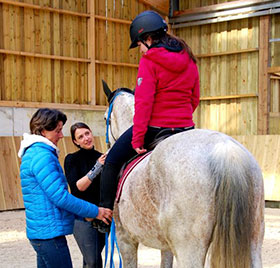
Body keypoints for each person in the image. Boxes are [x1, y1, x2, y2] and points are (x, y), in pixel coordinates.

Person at [94, 10, 200, 233]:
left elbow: (143, 103)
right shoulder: (189, 58)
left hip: (156, 127)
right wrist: (182, 118)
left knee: (112, 160)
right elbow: (194, 98)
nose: (140, 49)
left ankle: (104, 215)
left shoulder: (149, 60)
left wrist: (138, 139)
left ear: (148, 38)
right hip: (186, 128)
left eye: (140, 44)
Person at [18, 108, 112, 268]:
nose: (61, 135)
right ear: (43, 131)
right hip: (49, 234)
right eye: (58, 131)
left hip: (43, 231)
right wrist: (96, 211)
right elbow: (61, 197)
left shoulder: (35, 153)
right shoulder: (42, 156)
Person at [64, 122, 106, 268]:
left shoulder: (102, 157)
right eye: (80, 137)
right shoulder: (71, 159)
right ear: (76, 142)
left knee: (90, 261)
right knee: (94, 261)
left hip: (101, 215)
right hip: (82, 217)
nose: (86, 138)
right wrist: (97, 168)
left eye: (87, 133)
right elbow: (78, 189)